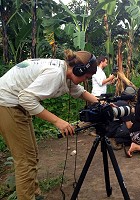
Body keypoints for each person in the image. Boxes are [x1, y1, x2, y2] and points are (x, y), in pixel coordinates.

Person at [0, 49, 99, 200]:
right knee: (25, 161)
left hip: (15, 104)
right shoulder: (55, 74)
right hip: (7, 104)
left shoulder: (64, 71)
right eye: (86, 76)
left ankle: (35, 194)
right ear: (79, 70)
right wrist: (58, 121)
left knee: (31, 156)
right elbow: (26, 98)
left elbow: (79, 91)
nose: (86, 80)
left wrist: (102, 103)